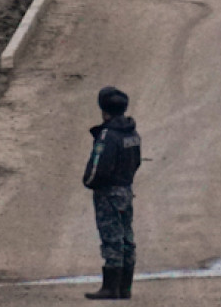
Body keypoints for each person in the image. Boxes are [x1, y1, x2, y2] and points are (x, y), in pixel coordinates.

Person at [81, 85, 141, 300]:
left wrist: (89, 182)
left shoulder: (108, 135)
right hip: (126, 189)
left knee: (111, 238)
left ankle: (111, 287)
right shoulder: (131, 133)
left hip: (108, 193)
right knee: (126, 237)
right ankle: (125, 287)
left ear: (104, 109)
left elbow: (98, 168)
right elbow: (136, 162)